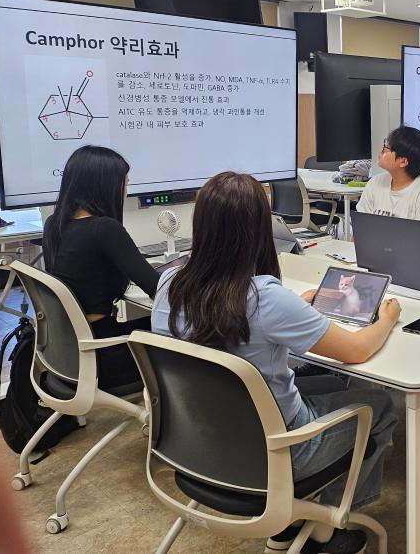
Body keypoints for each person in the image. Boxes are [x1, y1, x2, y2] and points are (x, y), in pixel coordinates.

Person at [151, 172, 401, 554]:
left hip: (197, 443)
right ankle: (324, 527)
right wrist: (387, 318)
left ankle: (297, 520)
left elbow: (235, 320)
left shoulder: (168, 283)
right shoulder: (264, 298)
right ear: (258, 228)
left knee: (330, 386)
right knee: (378, 405)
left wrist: (295, 308)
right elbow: (357, 350)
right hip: (274, 453)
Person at [43, 145, 159, 389]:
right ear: (107, 186)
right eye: (125, 183)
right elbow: (157, 287)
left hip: (70, 353)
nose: (126, 191)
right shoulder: (104, 229)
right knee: (189, 331)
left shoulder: (54, 224)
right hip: (104, 357)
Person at [356, 125, 420, 250]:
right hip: (374, 254)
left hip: (407, 259)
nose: (381, 150)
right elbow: (359, 230)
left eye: (387, 148)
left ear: (403, 161)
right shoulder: (375, 182)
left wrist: (388, 248)